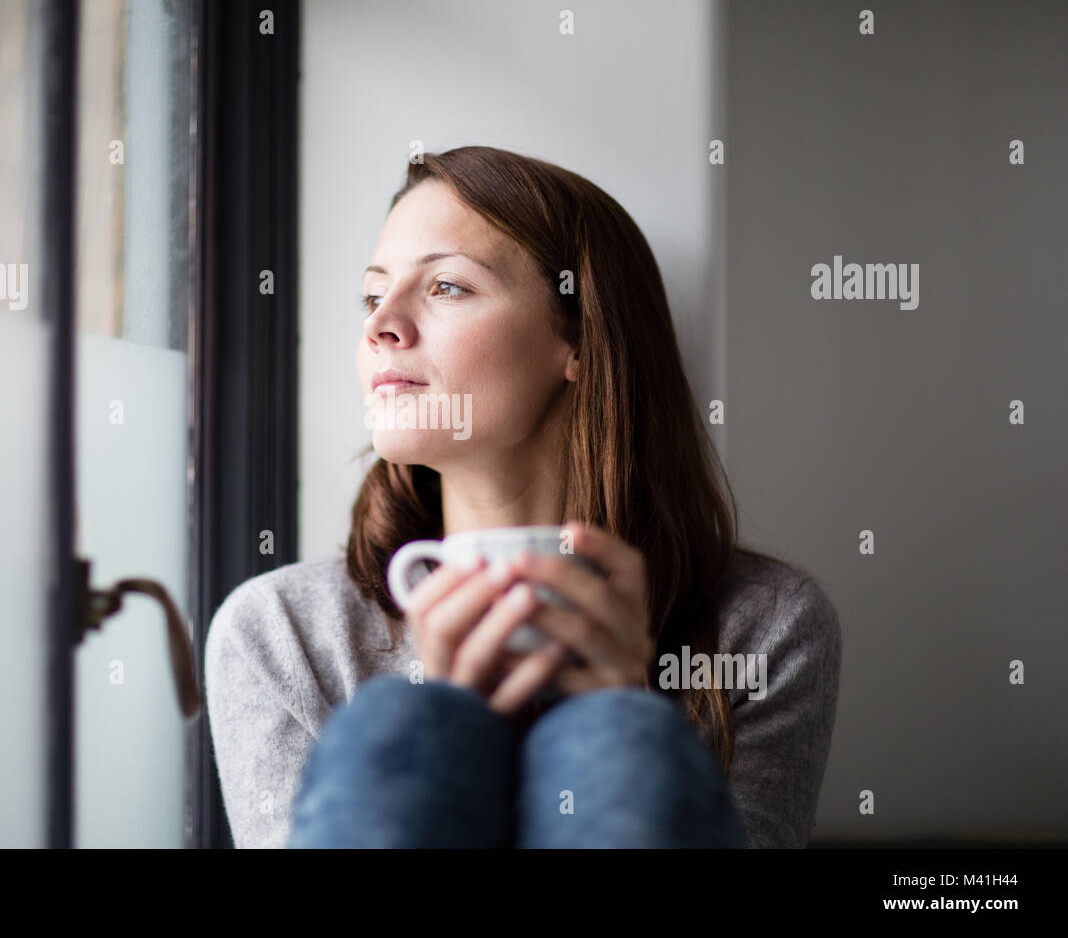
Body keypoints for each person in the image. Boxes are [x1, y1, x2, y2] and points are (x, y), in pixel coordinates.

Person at [204, 145, 842, 848]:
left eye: (446, 287)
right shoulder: (282, 634)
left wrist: (614, 720)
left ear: (578, 338)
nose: (381, 324)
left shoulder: (765, 626)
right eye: (372, 294)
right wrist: (442, 726)